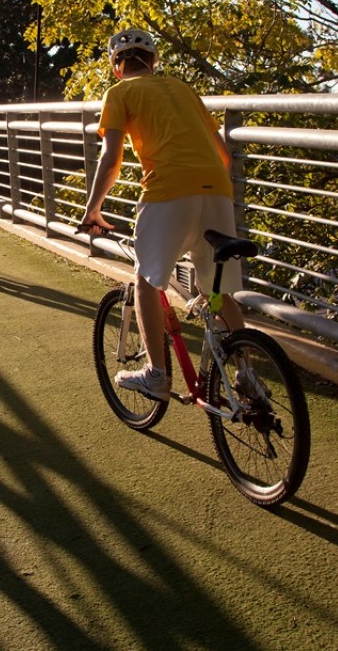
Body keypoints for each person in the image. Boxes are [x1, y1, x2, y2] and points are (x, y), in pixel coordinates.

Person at [79, 28, 244, 399]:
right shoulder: (184, 89)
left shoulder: (119, 92)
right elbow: (224, 157)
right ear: (154, 61)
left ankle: (156, 373)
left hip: (167, 191)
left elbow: (111, 159)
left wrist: (93, 209)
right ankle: (246, 373)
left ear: (116, 68)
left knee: (146, 281)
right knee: (216, 290)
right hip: (217, 190)